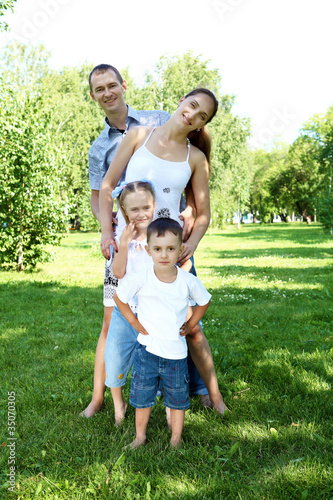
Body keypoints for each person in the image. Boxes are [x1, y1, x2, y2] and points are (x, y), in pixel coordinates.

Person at [82, 64, 206, 417]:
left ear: (123, 86)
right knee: (111, 322)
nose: (107, 93)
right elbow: (99, 195)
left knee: (184, 321)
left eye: (112, 85)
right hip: (123, 244)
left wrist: (190, 218)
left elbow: (183, 162)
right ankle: (99, 397)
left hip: (166, 244)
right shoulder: (98, 148)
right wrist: (110, 231)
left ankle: (197, 390)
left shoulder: (154, 120)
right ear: (93, 96)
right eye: (99, 89)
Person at [99, 87, 230, 414]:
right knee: (126, 322)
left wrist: (191, 244)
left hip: (171, 254)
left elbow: (203, 214)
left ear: (202, 125)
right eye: (193, 105)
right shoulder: (138, 136)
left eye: (202, 116)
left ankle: (213, 397)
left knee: (192, 329)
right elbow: (106, 185)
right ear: (182, 101)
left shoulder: (195, 158)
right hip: (132, 251)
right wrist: (106, 231)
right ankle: (123, 397)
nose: (193, 114)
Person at [114, 218, 212, 449]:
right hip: (146, 352)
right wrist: (133, 320)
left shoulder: (187, 281)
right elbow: (119, 296)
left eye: (170, 249)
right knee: (141, 398)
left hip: (176, 355)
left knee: (177, 399)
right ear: (148, 251)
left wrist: (191, 323)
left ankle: (176, 439)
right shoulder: (143, 277)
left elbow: (204, 301)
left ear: (180, 250)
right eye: (157, 249)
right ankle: (140, 436)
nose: (164, 255)